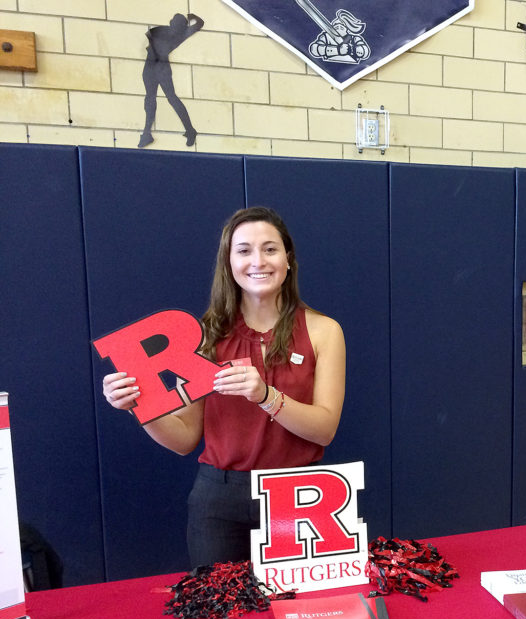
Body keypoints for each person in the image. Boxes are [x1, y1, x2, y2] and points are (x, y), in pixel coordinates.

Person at [102, 206, 346, 567]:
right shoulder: (205, 336)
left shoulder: (324, 331)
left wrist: (265, 395)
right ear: (229, 263)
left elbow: (324, 430)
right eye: (244, 250)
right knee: (221, 616)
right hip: (219, 502)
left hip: (296, 493)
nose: (258, 261)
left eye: (270, 249)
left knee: (298, 612)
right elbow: (185, 438)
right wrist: (141, 406)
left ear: (288, 259)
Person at [138, 13, 204, 148]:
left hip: (161, 68)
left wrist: (192, 18)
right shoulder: (164, 31)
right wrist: (192, 18)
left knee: (171, 98)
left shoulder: (179, 34)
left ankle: (190, 130)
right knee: (150, 99)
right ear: (171, 23)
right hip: (151, 67)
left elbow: (199, 24)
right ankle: (146, 134)